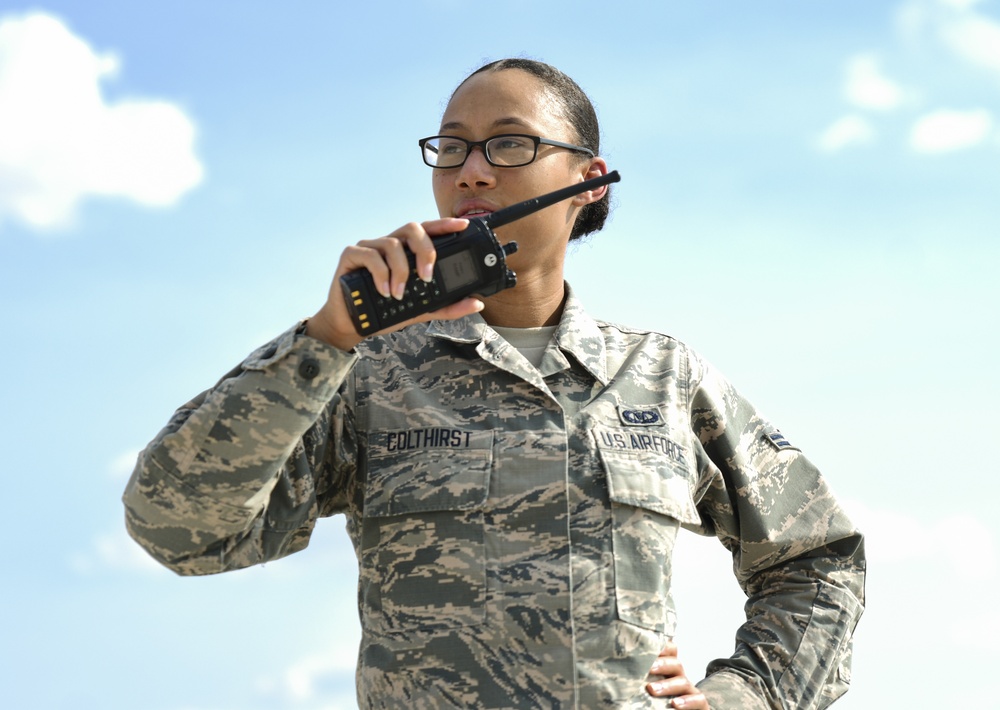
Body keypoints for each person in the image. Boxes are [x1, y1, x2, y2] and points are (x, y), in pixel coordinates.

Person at [123, 58, 865, 709]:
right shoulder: (368, 371)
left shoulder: (662, 376)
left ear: (590, 184)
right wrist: (328, 336)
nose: (471, 170)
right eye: (451, 147)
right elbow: (179, 530)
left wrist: (748, 695)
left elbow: (818, 559)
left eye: (510, 143)